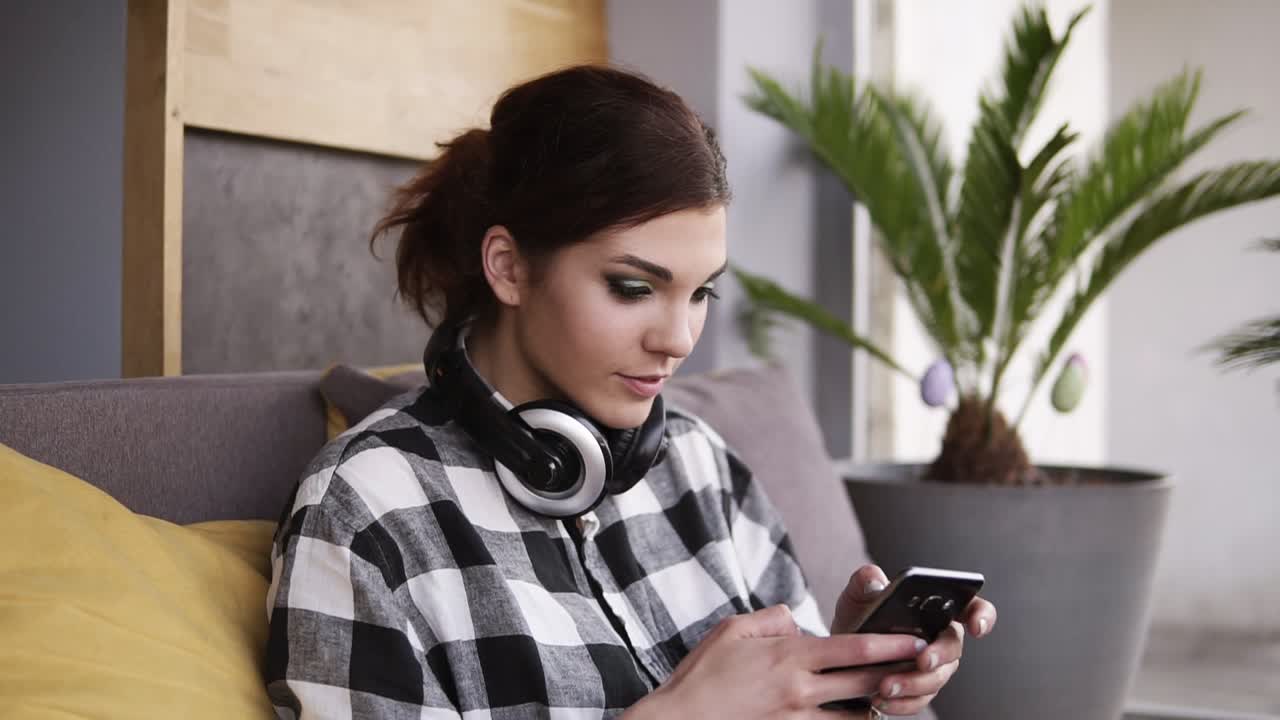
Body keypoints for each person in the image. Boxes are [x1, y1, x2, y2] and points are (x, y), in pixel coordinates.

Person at [264, 64, 997, 720]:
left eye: (700, 291)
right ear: (509, 268)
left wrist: (853, 681)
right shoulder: (368, 516)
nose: (678, 339)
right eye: (633, 287)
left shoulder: (700, 465)